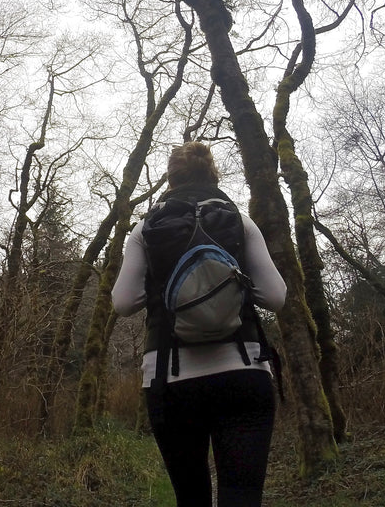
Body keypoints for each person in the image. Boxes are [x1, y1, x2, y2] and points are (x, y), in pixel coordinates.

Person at [112, 142, 287, 507]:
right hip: (243, 371)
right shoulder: (240, 221)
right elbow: (275, 296)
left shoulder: (147, 228)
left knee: (191, 498)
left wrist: (162, 291)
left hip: (170, 380)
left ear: (170, 179)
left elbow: (123, 302)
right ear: (213, 175)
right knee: (242, 496)